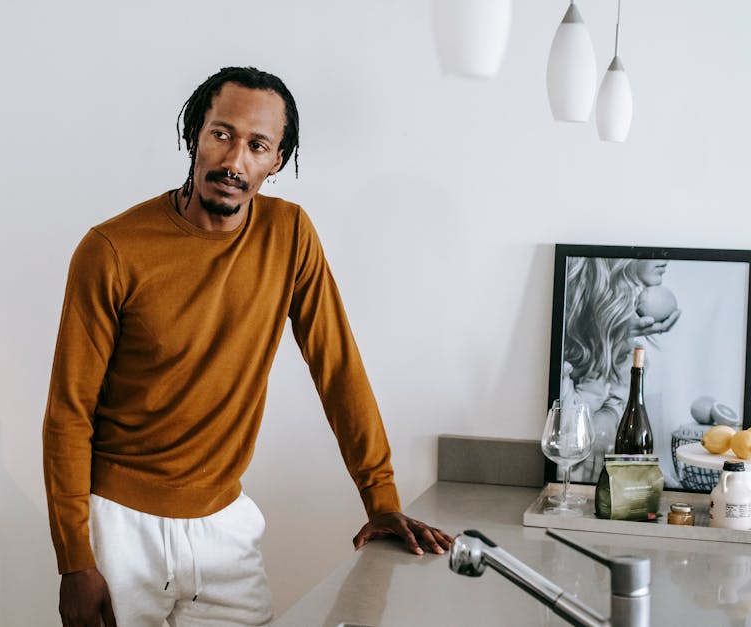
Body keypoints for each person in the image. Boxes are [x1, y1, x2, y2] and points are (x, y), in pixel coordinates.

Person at [42, 66, 452, 627]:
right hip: (120, 528)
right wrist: (74, 563)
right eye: (221, 134)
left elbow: (338, 370)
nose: (234, 160)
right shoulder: (110, 250)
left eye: (257, 145)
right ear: (194, 136)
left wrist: (380, 499)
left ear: (277, 161)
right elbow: (68, 415)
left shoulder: (290, 235)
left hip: (226, 528)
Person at [561, 257, 680, 483]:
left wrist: (617, 339)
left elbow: (611, 428)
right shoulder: (568, 322)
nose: (665, 257)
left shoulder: (628, 342)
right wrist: (608, 338)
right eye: (653, 249)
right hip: (572, 486)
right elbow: (570, 438)